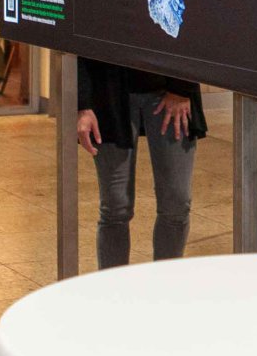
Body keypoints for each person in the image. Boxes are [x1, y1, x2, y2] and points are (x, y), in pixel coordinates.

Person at [77, 57, 205, 267]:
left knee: (176, 204)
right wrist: (82, 104)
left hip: (171, 87)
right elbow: (80, 39)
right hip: (108, 90)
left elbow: (194, 30)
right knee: (115, 207)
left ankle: (165, 288)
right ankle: (113, 292)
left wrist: (183, 88)